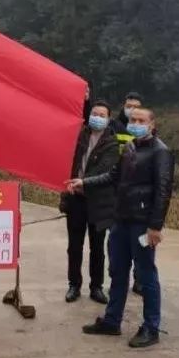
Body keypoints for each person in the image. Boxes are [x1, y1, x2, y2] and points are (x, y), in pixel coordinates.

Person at [68, 106, 174, 348]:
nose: (135, 123)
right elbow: (112, 176)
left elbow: (163, 192)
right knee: (117, 272)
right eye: (132, 119)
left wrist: (155, 227)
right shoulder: (128, 147)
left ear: (152, 124)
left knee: (146, 275)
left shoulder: (161, 152)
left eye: (141, 120)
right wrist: (84, 182)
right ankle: (112, 320)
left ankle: (151, 327)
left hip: (142, 224)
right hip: (121, 221)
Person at [60, 100, 119, 304]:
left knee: (97, 247)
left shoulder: (112, 143)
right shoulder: (79, 135)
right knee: (74, 246)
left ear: (108, 119)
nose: (98, 118)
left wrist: (83, 182)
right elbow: (65, 160)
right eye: (95, 113)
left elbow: (105, 171)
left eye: (102, 115)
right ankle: (73, 285)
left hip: (98, 202)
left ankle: (96, 287)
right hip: (75, 200)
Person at [109, 91, 146, 296]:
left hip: (139, 194)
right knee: (116, 239)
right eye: (129, 105)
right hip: (117, 191)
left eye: (136, 106)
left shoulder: (144, 130)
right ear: (123, 105)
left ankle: (139, 280)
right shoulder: (113, 126)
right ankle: (117, 274)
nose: (132, 109)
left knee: (140, 242)